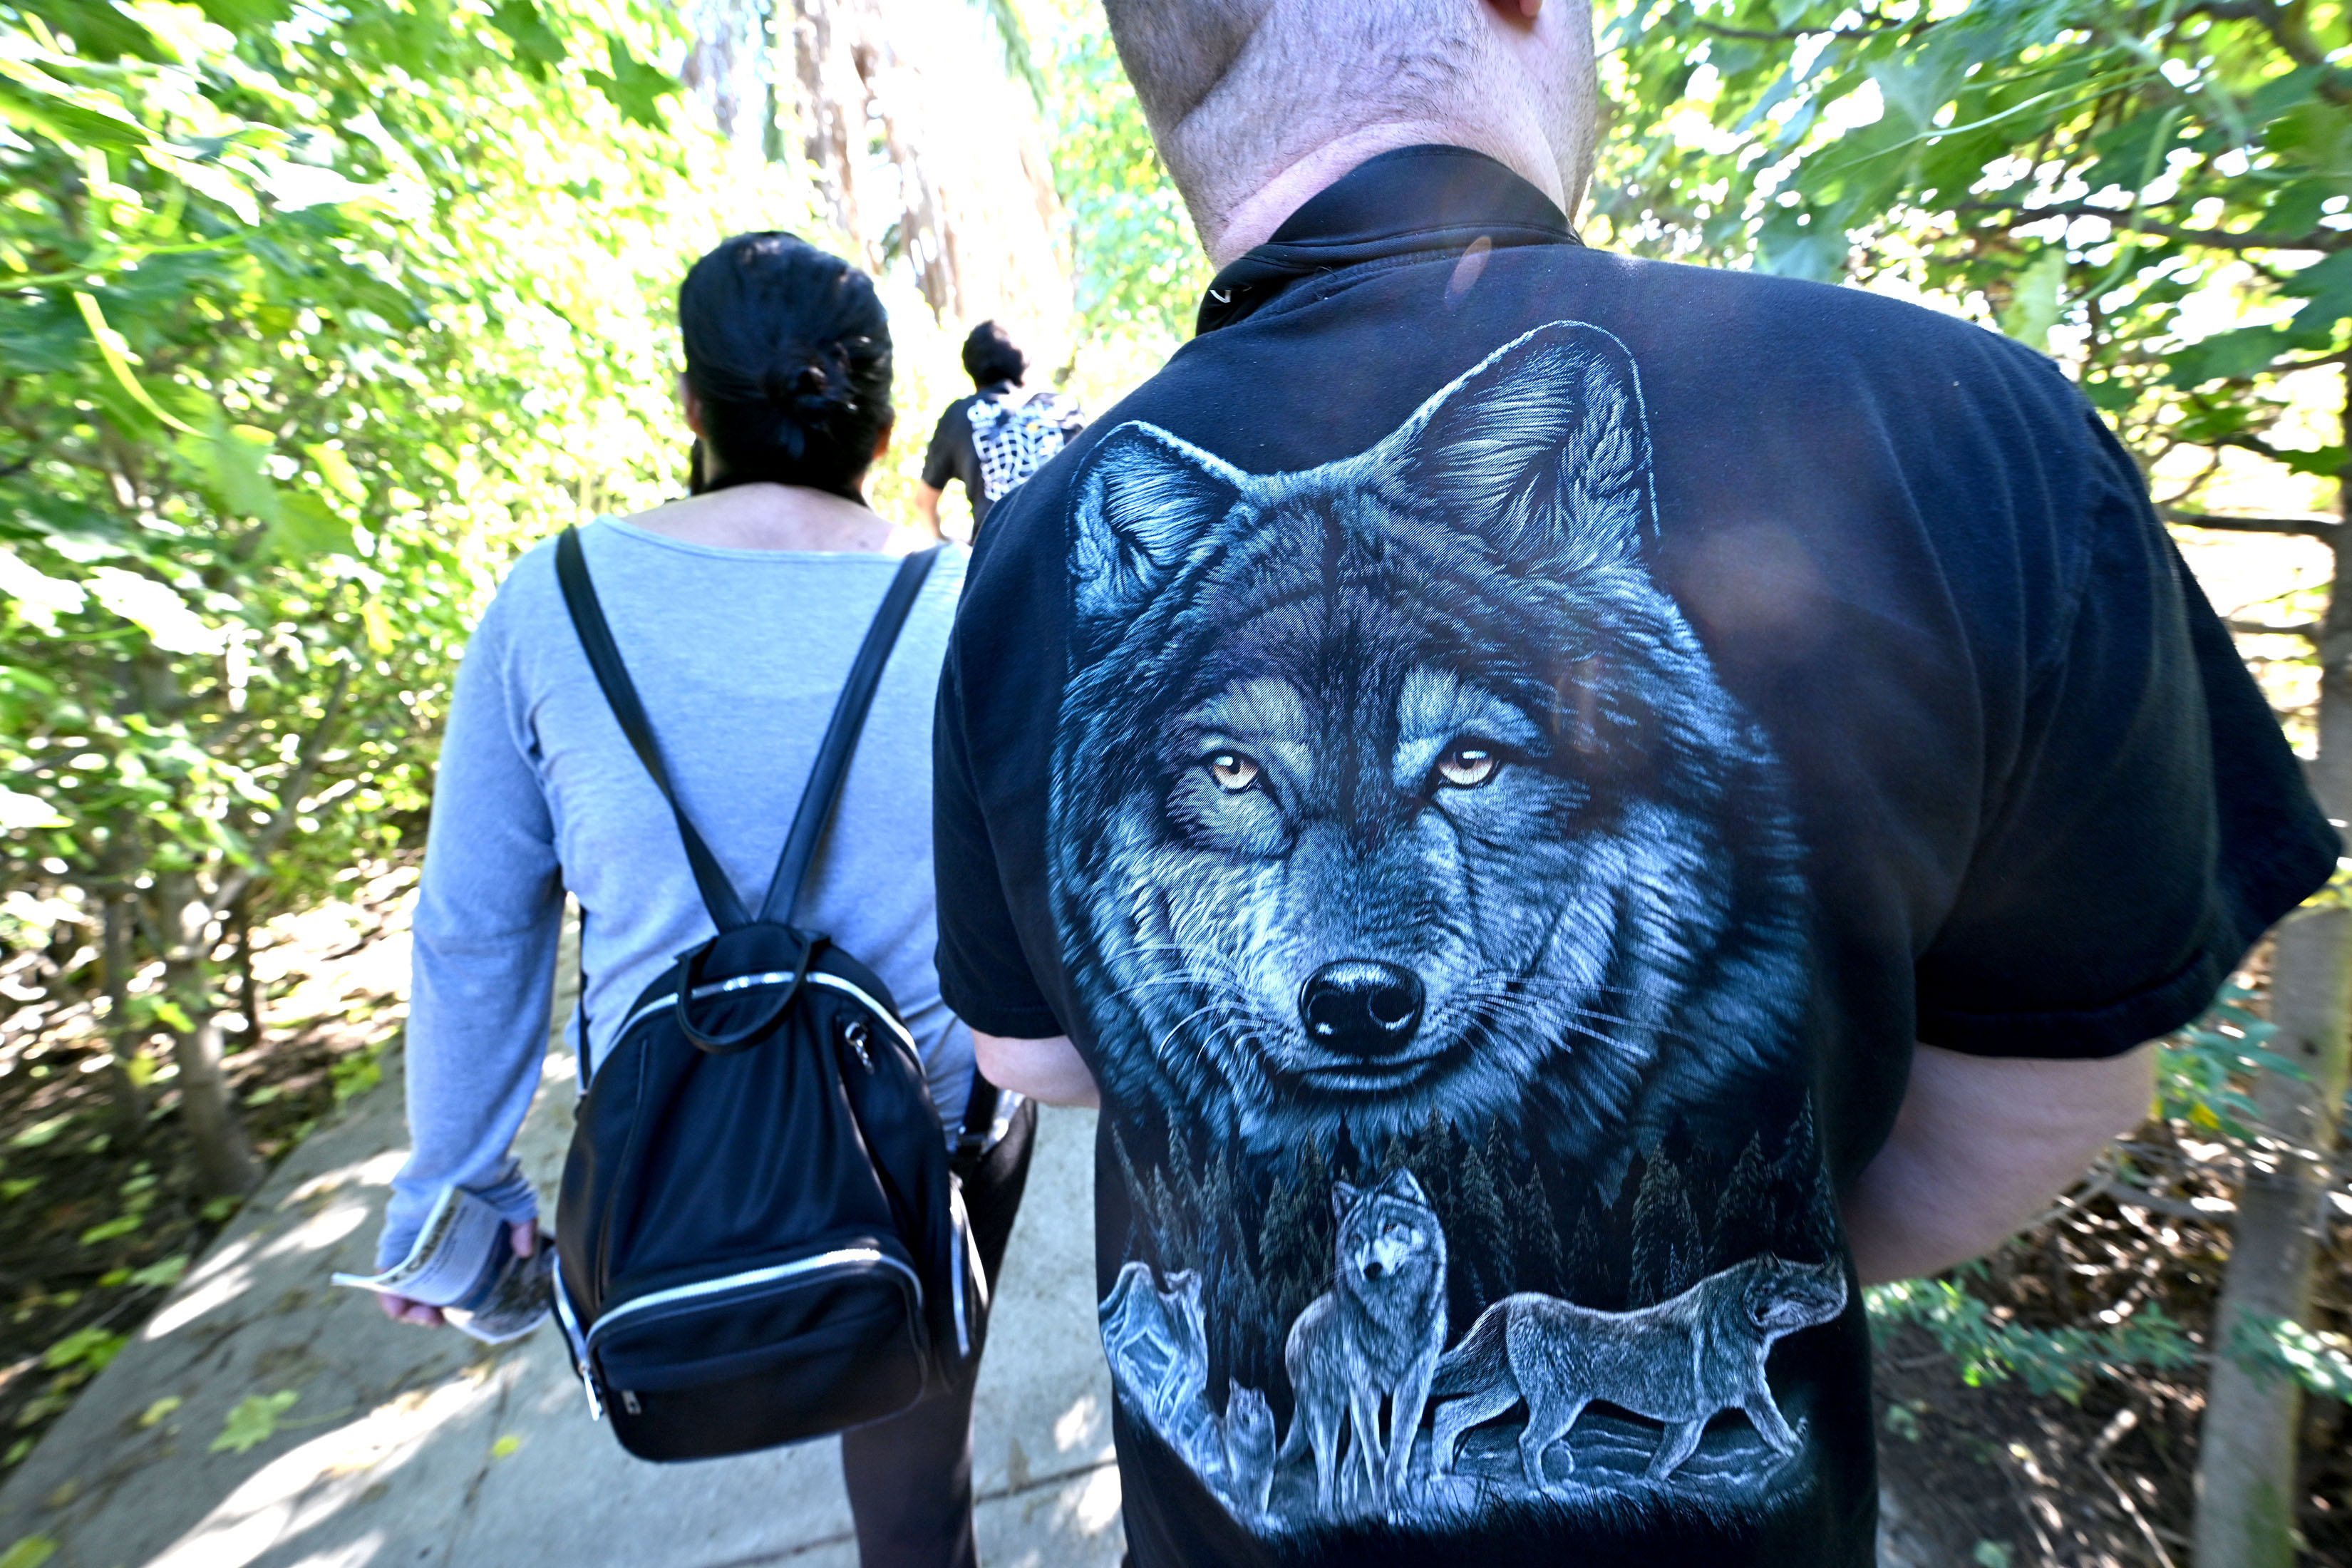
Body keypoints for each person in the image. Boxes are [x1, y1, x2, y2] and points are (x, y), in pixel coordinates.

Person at [927, 2, 2340, 1564]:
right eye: (1241, 777)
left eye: (1466, 757)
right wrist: (1726, 1223)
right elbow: (2057, 1089)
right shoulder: (1976, 441)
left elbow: (1033, 1054)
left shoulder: (1026, 561)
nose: (1358, 955)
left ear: (1158, 67)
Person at [378, 232, 1034, 1568]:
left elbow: (475, 927)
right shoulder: (963, 602)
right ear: (887, 422)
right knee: (915, 1471)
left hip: (660, 1144)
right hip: (933, 1128)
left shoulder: (549, 603)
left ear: (691, 406)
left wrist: (453, 1184)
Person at [914, 321, 1083, 540]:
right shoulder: (1064, 408)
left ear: (971, 370)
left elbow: (923, 504)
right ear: (1023, 365)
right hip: (1069, 547)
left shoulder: (959, 415)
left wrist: (946, 545)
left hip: (997, 559)